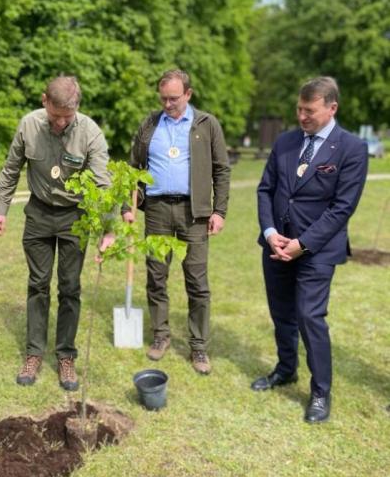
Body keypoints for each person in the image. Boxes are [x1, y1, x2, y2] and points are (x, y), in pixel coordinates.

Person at [253, 76, 368, 423]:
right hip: (276, 246)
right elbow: (265, 189)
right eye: (299, 109)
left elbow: (342, 208)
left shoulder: (351, 148)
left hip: (316, 251)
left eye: (310, 110)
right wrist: (271, 232)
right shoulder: (286, 142)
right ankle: (286, 369)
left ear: (332, 108)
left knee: (308, 316)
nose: (302, 116)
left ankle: (320, 392)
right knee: (281, 313)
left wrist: (302, 245)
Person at [0, 75, 113, 391]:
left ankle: (66, 356)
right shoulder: (29, 125)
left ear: (76, 108)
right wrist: (1, 209)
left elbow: (103, 183)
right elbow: (11, 169)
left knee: (70, 287)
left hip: (76, 216)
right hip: (39, 213)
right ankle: (33, 353)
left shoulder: (91, 133)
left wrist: (108, 228)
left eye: (66, 117)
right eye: (55, 115)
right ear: (44, 99)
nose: (60, 123)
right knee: (38, 284)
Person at [124, 69, 230, 375]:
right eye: (163, 98)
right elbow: (134, 169)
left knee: (197, 281)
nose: (168, 104)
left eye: (174, 98)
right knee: (156, 275)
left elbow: (222, 170)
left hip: (194, 213)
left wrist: (219, 211)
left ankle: (198, 347)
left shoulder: (206, 125)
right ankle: (160, 335)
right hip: (156, 209)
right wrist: (127, 207)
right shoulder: (149, 124)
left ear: (188, 94)